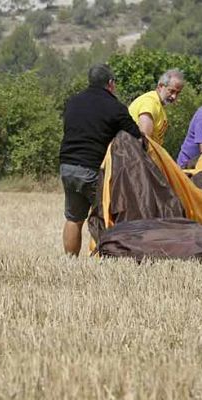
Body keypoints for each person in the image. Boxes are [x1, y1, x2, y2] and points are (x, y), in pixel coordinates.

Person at [59, 64, 142, 256]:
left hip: (67, 166)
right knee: (105, 217)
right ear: (110, 83)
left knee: (74, 218)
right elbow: (136, 137)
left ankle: (70, 261)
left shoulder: (73, 102)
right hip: (93, 169)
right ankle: (105, 259)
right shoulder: (115, 107)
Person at [128, 69, 185, 144]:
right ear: (160, 86)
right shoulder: (150, 103)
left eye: (177, 93)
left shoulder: (158, 105)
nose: (174, 96)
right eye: (171, 91)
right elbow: (144, 139)